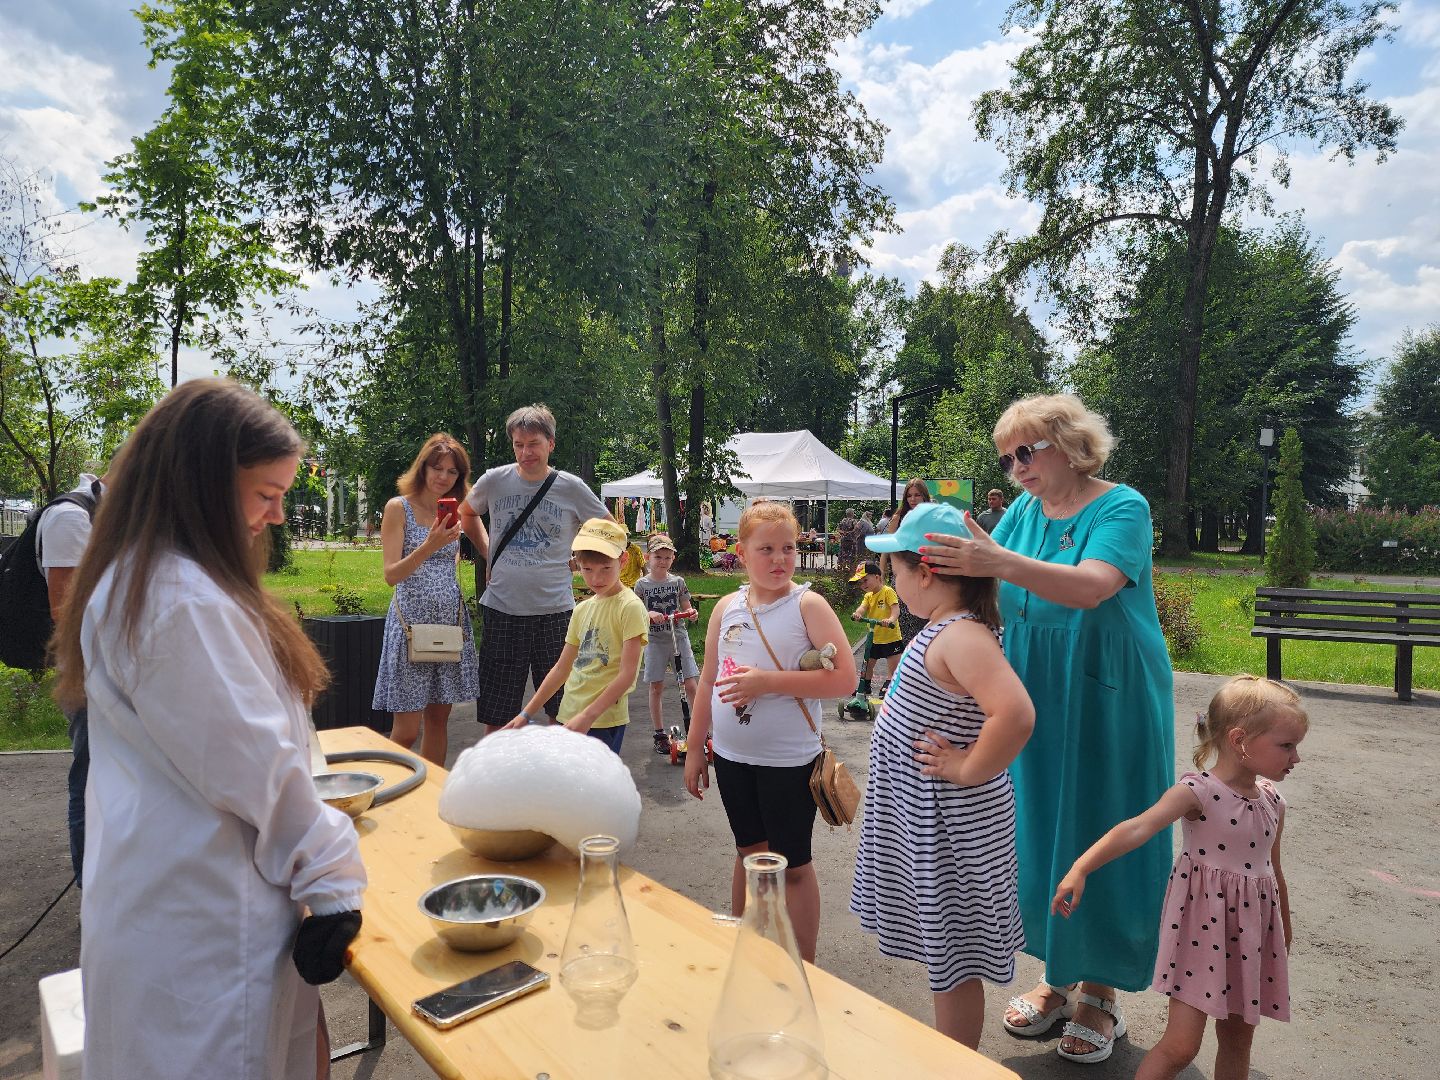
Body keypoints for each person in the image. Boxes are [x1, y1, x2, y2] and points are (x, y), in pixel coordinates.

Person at [51, 378, 366, 1079]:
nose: (278, 515)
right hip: (206, 928)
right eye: (265, 494)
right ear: (201, 483)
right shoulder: (179, 601)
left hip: (175, 905)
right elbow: (258, 767)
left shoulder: (153, 579)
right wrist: (334, 882)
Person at [919, 393, 1174, 1063]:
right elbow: (989, 586)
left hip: (1105, 693)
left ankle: (1101, 993)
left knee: (1100, 823)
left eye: (1026, 451)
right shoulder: (1028, 511)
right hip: (1035, 689)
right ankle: (1058, 978)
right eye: (1007, 459)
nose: (1017, 468)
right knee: (1037, 829)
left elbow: (1091, 586)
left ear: (1069, 443)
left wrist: (996, 563)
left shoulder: (1123, 506)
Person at [1051, 676, 1302, 1075]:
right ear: (1240, 740)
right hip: (1202, 938)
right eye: (1286, 745)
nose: (1296, 757)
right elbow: (1136, 828)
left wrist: (1283, 929)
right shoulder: (1198, 793)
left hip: (1250, 939)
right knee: (1181, 1046)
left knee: (1238, 1042)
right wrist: (1081, 867)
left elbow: (1273, 870)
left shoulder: (1273, 800)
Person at [851, 503, 1034, 1048]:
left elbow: (1017, 713)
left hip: (952, 828)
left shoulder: (960, 636)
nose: (893, 580)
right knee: (946, 953)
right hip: (928, 822)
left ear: (925, 572)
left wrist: (968, 765)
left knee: (954, 958)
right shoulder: (945, 628)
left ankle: (956, 1062)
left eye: (897, 570)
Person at [683, 501, 856, 963]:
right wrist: (696, 746)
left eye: (788, 548)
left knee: (793, 866)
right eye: (766, 550)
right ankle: (747, 954)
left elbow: (845, 680)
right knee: (748, 855)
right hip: (733, 758)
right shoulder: (726, 607)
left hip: (789, 762)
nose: (779, 559)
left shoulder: (807, 604)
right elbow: (707, 680)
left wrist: (767, 682)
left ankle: (805, 968)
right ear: (741, 553)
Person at [460, 404, 609, 729]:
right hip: (503, 608)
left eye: (533, 444)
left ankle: (555, 777)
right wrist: (488, 553)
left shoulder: (570, 486)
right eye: (518, 444)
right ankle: (499, 778)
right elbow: (467, 513)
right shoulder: (494, 481)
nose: (525, 452)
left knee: (563, 708)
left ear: (550, 444)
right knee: (498, 713)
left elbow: (607, 528)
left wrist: (581, 560)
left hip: (555, 611)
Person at [372, 433, 481, 765]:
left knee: (438, 721)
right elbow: (392, 574)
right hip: (409, 629)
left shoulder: (454, 511)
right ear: (422, 467)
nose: (443, 477)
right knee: (406, 729)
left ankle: (431, 797)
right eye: (437, 468)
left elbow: (452, 564)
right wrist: (430, 544)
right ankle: (389, 791)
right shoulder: (398, 508)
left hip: (447, 623)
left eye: (452, 472)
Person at [504, 518, 648, 753]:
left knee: (594, 787)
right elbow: (562, 668)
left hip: (602, 720)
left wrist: (588, 716)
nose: (596, 579)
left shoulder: (629, 607)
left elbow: (627, 675)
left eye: (605, 569)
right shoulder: (581, 609)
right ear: (577, 564)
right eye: (587, 569)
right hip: (568, 714)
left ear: (623, 561)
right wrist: (526, 713)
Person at [35, 465, 105, 881]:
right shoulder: (70, 518)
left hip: (112, 671)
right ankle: (88, 885)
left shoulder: (101, 518)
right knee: (89, 780)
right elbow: (66, 614)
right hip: (86, 675)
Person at [633, 533, 699, 754]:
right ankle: (659, 733)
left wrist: (691, 614)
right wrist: (649, 613)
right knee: (656, 686)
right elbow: (637, 612)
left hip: (678, 637)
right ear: (648, 557)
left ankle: (698, 729)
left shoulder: (677, 582)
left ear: (673, 559)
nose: (662, 561)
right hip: (655, 640)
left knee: (691, 684)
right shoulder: (641, 585)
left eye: (667, 558)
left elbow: (686, 606)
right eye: (658, 557)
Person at [880, 478, 933, 649]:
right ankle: (909, 660)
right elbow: (886, 546)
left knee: (927, 622)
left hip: (926, 574)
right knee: (906, 623)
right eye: (909, 495)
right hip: (903, 575)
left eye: (917, 495)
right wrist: (881, 573)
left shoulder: (932, 516)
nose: (913, 499)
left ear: (924, 496)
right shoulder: (899, 517)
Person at [848, 560, 901, 695]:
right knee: (868, 663)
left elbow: (896, 610)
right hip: (874, 637)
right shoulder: (868, 596)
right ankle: (865, 685)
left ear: (877, 577)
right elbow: (863, 607)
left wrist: (890, 620)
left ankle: (889, 685)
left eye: (865, 580)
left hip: (890, 637)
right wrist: (858, 614)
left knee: (893, 665)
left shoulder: (887, 592)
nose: (863, 585)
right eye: (861, 583)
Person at [836, 506, 860, 571]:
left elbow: (838, 529)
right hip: (852, 541)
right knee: (852, 554)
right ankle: (851, 568)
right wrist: (850, 532)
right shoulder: (854, 521)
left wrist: (843, 532)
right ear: (852, 514)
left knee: (843, 553)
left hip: (843, 540)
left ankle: (842, 567)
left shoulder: (843, 520)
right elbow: (856, 528)